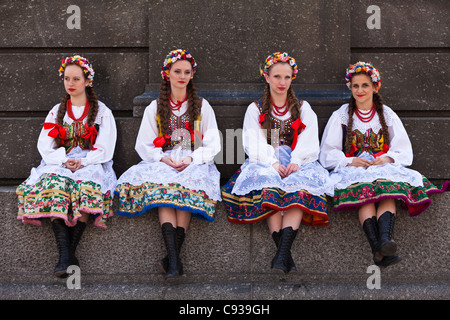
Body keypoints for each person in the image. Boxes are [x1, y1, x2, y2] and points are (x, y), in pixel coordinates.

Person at [319, 61, 449, 268]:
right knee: (364, 194)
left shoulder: (386, 114)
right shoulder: (341, 115)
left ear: (374, 87)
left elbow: (403, 149)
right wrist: (350, 160)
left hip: (382, 167)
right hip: (355, 170)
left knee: (388, 190)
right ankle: (378, 246)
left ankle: (385, 242)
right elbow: (327, 152)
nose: (360, 90)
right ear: (350, 87)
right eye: (355, 86)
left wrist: (388, 158)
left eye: (365, 85)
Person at [221, 52, 335, 274]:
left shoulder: (303, 108)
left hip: (297, 162)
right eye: (277, 77)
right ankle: (283, 255)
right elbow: (252, 140)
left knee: (299, 191)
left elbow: (309, 139)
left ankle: (282, 255)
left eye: (287, 77)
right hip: (265, 161)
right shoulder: (255, 108)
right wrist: (272, 163)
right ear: (266, 77)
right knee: (269, 189)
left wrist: (296, 162)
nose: (282, 82)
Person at [115, 49, 221, 280]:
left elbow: (213, 144)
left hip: (193, 160)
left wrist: (191, 158)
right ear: (167, 74)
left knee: (185, 188)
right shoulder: (155, 107)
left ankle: (172, 260)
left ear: (192, 75)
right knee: (164, 187)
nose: (182, 76)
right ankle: (174, 260)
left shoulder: (203, 106)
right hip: (164, 159)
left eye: (186, 72)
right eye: (177, 71)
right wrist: (163, 158)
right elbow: (143, 144)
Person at [16, 55, 117, 278]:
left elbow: (105, 148)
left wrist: (83, 161)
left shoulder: (102, 112)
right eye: (66, 78)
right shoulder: (57, 111)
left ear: (88, 81)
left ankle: (66, 255)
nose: (70, 83)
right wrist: (63, 160)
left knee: (84, 184)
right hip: (60, 161)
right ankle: (66, 254)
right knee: (55, 182)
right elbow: (45, 145)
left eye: (76, 79)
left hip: (90, 162)